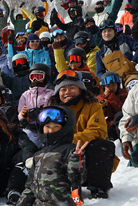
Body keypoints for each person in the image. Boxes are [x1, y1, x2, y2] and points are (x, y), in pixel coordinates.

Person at [9, 106, 92, 206]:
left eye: (56, 126)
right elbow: (30, 187)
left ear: (65, 128)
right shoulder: (38, 155)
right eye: (47, 126)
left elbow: (76, 177)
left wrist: (76, 159)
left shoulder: (69, 150)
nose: (51, 130)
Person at [49, 70, 115, 198]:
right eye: (63, 89)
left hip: (86, 151)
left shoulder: (93, 106)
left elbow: (97, 130)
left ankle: (98, 186)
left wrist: (70, 141)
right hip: (62, 152)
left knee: (102, 145)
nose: (67, 92)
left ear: (80, 89)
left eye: (71, 88)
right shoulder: (52, 110)